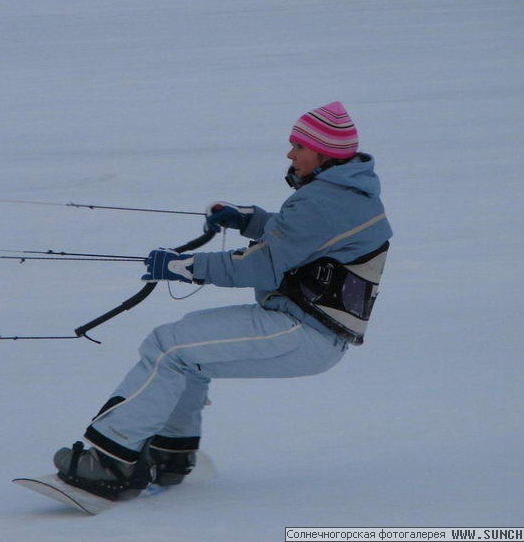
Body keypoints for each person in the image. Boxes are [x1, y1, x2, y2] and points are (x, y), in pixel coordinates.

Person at [52, 101, 393, 501]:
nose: (290, 154)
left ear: (323, 154)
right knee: (187, 352)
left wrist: (185, 266)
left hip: (301, 330)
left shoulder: (326, 200)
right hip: (308, 330)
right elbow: (298, 237)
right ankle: (170, 454)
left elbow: (263, 265)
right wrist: (249, 219)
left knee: (169, 347)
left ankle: (112, 461)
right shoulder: (344, 194)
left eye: (297, 147)